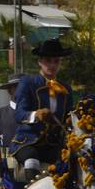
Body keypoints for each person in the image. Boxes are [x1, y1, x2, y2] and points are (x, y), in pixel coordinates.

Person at [9, 38, 74, 181]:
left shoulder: (65, 89)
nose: (52, 65)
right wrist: (35, 115)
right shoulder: (28, 83)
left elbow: (69, 115)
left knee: (70, 159)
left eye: (56, 61)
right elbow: (19, 114)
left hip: (53, 143)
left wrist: (71, 121)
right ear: (40, 62)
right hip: (28, 142)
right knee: (31, 159)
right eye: (48, 61)